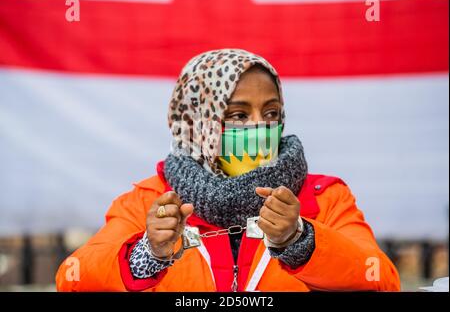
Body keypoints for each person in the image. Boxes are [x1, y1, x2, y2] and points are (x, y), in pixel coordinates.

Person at [56, 49, 401, 292]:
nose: (259, 127)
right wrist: (148, 254)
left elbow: (380, 278)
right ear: (196, 121)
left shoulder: (324, 198)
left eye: (270, 113)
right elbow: (73, 278)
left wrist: (301, 241)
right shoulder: (150, 201)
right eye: (237, 115)